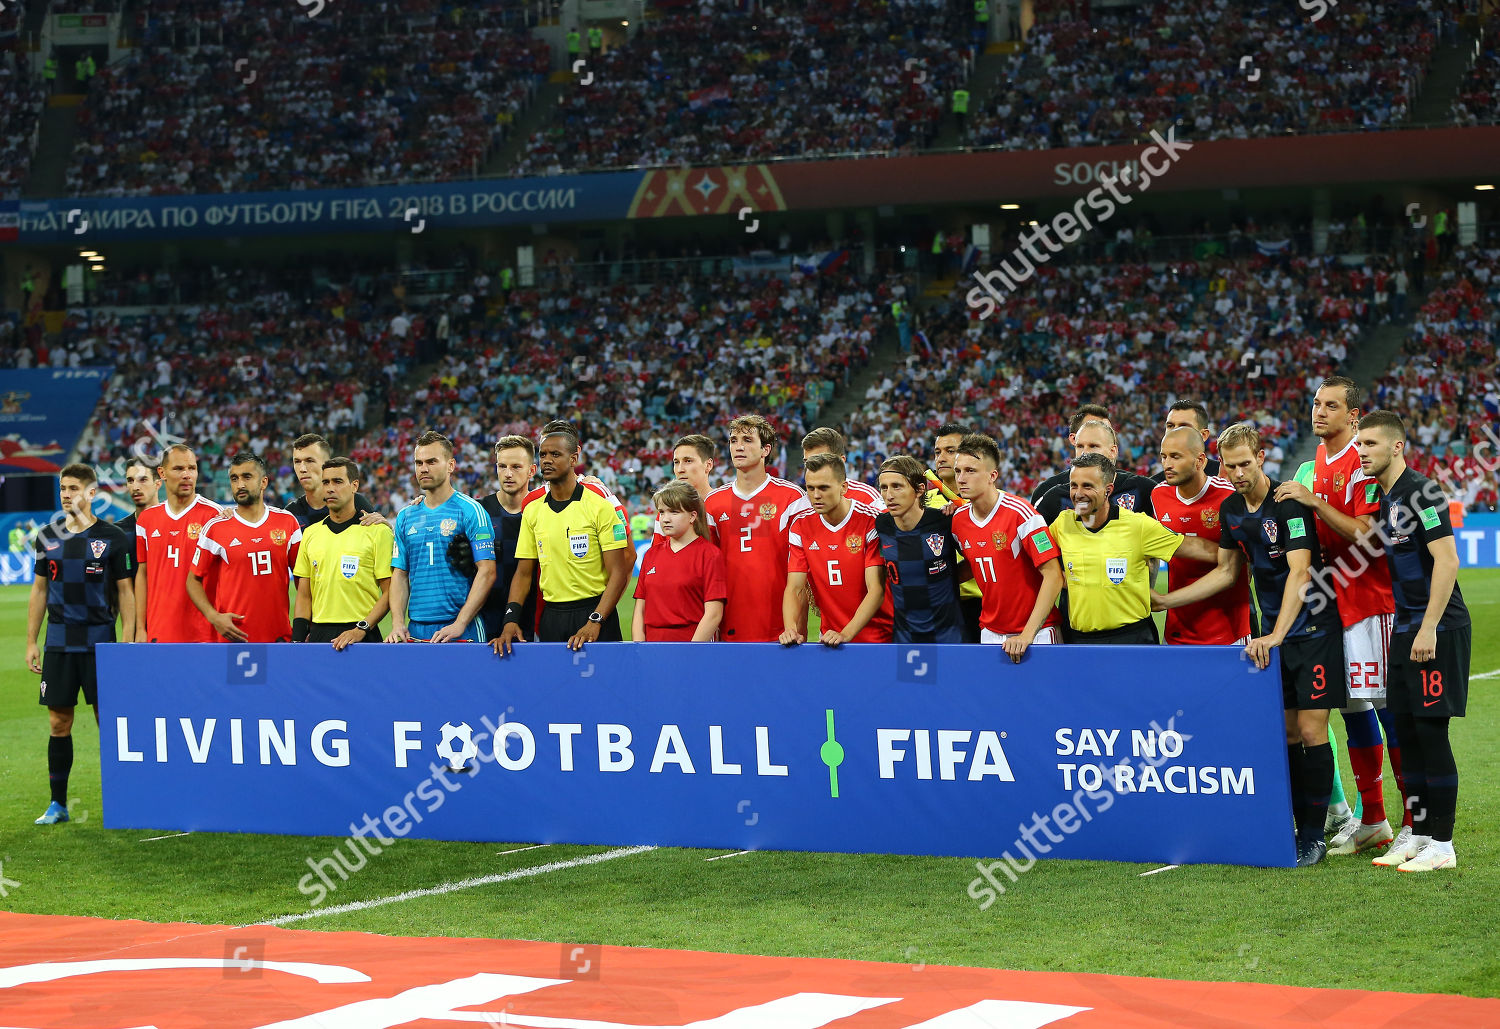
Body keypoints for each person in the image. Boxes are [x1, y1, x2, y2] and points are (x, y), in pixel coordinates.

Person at [1154, 424, 1347, 867]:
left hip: (1312, 630)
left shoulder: (1289, 504)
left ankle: (1314, 836)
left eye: (1246, 462)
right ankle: (1298, 826)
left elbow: (1301, 573)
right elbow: (1226, 572)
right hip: (1273, 634)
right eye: (1230, 464)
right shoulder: (1231, 511)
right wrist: (1166, 601)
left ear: (1262, 458)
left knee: (1314, 731)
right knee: (1288, 732)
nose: (1239, 472)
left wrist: (1277, 635)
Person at [1272, 376, 1406, 856]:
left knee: (1392, 711)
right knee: (1352, 710)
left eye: (1331, 405)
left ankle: (1413, 821)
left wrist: (1312, 502)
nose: (1319, 411)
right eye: (1315, 403)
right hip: (1334, 606)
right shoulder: (1316, 464)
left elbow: (1370, 536)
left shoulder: (1361, 460)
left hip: (1372, 603)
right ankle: (1373, 819)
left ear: (1353, 416)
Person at [1357, 412, 1469, 872]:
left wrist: (1428, 627)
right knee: (1406, 731)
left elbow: (1447, 561)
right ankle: (1420, 833)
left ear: (1397, 447)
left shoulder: (1422, 492)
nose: (1361, 451)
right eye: (1359, 443)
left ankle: (1442, 845)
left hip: (1436, 629)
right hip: (1405, 628)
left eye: (1370, 443)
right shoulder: (1383, 498)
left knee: (1429, 733)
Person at [26, 464, 135, 826]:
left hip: (100, 644)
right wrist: (31, 641)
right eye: (63, 488)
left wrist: (128, 639)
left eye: (74, 488)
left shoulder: (114, 537)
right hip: (58, 643)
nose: (67, 494)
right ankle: (58, 805)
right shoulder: (47, 536)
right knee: (59, 722)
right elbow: (39, 590)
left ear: (92, 493)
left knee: (110, 722)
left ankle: (125, 799)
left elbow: (126, 592)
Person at [494, 421, 631, 651]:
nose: (546, 460)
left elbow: (618, 571)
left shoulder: (599, 506)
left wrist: (596, 619)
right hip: (551, 616)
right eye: (543, 454)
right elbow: (524, 573)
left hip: (594, 612)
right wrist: (510, 619)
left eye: (555, 454)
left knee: (603, 686)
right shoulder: (534, 510)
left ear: (573, 459)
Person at [1050, 453, 1188, 645]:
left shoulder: (1138, 525)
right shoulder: (1062, 524)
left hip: (1132, 639)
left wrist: (1168, 600)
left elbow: (1203, 551)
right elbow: (1038, 563)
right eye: (1074, 485)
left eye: (1087, 486)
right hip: (1079, 641)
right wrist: (1063, 579)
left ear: (1108, 490)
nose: (1078, 493)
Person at [951, 434, 1063, 660]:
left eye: (970, 471)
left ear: (992, 475)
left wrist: (1027, 635)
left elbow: (1053, 576)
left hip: (1036, 632)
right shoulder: (958, 521)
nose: (961, 479)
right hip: (990, 632)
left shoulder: (1021, 514)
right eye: (958, 471)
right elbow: (977, 563)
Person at [705, 415, 806, 642]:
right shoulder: (713, 502)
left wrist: (799, 627)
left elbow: (802, 571)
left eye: (748, 440)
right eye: (733, 440)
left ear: (765, 449)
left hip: (781, 627)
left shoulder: (792, 498)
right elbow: (708, 572)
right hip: (729, 624)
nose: (738, 447)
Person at [389, 431, 497, 643]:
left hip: (461, 630)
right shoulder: (405, 516)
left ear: (451, 465)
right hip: (416, 630)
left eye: (431, 461)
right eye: (418, 463)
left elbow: (487, 572)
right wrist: (397, 623)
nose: (424, 468)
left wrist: (461, 623)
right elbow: (400, 574)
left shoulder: (471, 511)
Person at [186, 454, 302, 644]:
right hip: (233, 638)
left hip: (280, 638)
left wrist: (304, 625)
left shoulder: (287, 522)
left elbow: (302, 580)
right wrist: (214, 617)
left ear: (264, 482)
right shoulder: (216, 527)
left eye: (247, 477)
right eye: (234, 478)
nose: (240, 484)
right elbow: (193, 580)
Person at [1150, 426, 1250, 646]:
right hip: (1177, 631)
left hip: (1229, 631)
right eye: (1164, 456)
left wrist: (1164, 601)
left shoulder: (1230, 496)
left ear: (1200, 461)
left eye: (1175, 457)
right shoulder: (1158, 495)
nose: (1167, 464)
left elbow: (1238, 565)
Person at [781, 454, 891, 646]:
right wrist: (790, 629)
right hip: (831, 639)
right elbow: (795, 588)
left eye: (824, 488)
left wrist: (845, 634)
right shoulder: (800, 525)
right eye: (810, 488)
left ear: (844, 488)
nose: (815, 495)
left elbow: (876, 590)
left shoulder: (871, 522)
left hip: (877, 638)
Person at [292, 458, 392, 648]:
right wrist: (297, 640)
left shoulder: (378, 532)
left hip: (363, 635)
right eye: (325, 482)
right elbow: (304, 595)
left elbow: (390, 591)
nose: (329, 488)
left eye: (337, 482)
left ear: (354, 485)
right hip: (318, 635)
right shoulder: (311, 534)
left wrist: (361, 628)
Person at [133, 443, 225, 643]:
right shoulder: (146, 520)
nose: (187, 475)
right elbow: (142, 574)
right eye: (178, 468)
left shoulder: (215, 515)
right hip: (159, 631)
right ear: (162, 473)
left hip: (204, 634)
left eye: (192, 468)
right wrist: (140, 628)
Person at [875, 455, 966, 644]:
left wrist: (948, 575)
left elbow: (975, 561)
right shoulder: (881, 525)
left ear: (919, 489)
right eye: (884, 488)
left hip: (949, 635)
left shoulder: (944, 521)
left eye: (897, 486)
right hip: (904, 638)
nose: (888, 495)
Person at [632, 480, 727, 642]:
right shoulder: (651, 554)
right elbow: (640, 609)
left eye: (674, 512)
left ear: (692, 516)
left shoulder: (710, 555)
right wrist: (639, 647)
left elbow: (714, 613)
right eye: (662, 512)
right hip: (652, 650)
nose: (665, 519)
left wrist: (690, 653)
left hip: (692, 647)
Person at [477, 436, 540, 642]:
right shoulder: (478, 511)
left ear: (532, 470)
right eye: (502, 466)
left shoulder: (543, 510)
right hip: (484, 622)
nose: (508, 474)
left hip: (535, 621)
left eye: (516, 467)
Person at [926, 421, 983, 641]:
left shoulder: (991, 501)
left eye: (951, 451)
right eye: (937, 452)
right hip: (938, 605)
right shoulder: (923, 504)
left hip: (979, 604)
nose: (941, 458)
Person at [1035, 420, 1156, 523]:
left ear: (1113, 451)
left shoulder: (1142, 489)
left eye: (1093, 446)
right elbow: (1035, 539)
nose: (1085, 453)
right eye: (1080, 446)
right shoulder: (1055, 497)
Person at [285, 433, 378, 528]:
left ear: (326, 464)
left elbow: (378, 534)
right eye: (297, 462)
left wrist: (384, 525)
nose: (302, 469)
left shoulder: (355, 503)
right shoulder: (290, 514)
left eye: (310, 461)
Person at [1029, 405, 1112, 503]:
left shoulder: (1131, 486)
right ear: (1074, 439)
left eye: (1108, 432)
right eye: (1091, 429)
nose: (1101, 437)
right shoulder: (1046, 491)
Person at [802, 427, 885, 510]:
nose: (811, 467)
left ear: (841, 461)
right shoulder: (799, 504)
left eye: (820, 461)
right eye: (807, 462)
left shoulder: (869, 499)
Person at [1148, 401, 1221, 482]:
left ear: (1203, 435)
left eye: (1183, 426)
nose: (1175, 431)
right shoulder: (1153, 486)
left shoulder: (1227, 477)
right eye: (1170, 426)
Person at [119, 459, 161, 541]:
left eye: (143, 480)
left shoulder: (175, 527)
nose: (135, 487)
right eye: (130, 481)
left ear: (157, 484)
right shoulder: (118, 532)